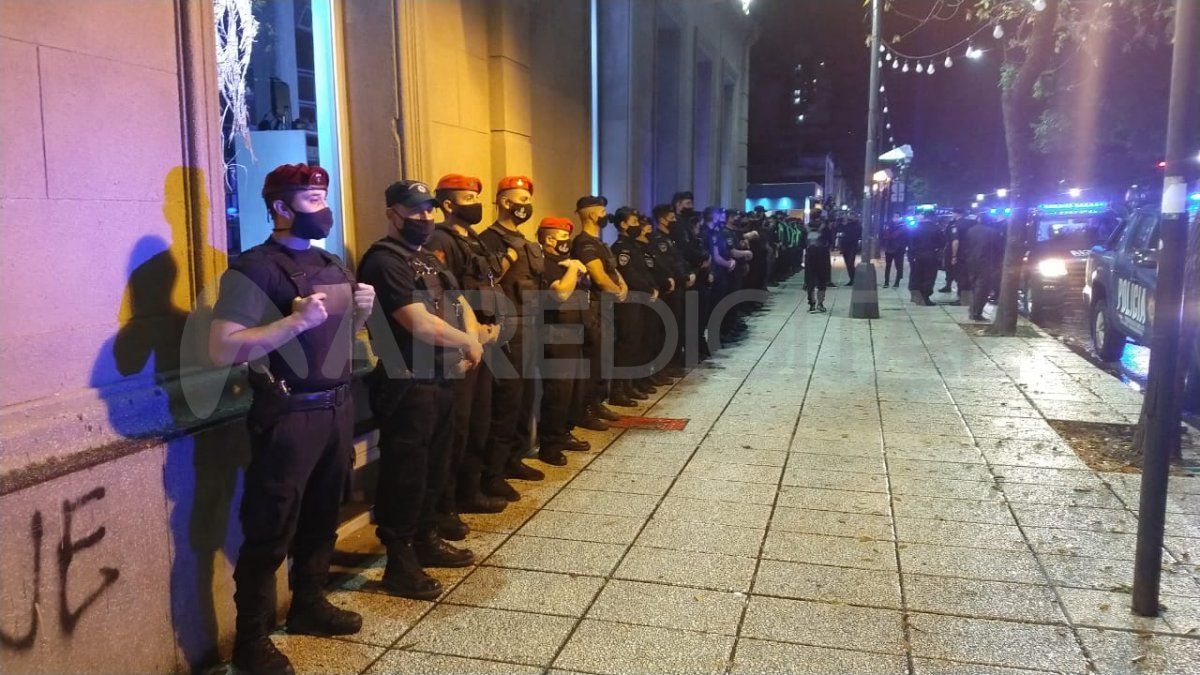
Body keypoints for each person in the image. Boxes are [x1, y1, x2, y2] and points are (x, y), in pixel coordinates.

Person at [211, 163, 369, 674]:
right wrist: (294, 321)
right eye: (310, 198)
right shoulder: (253, 269)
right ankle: (252, 640)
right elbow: (222, 348)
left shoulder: (331, 261)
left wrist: (361, 312)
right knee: (271, 525)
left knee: (324, 515)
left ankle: (309, 604)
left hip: (336, 406)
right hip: (289, 414)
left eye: (324, 196)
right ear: (280, 207)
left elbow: (335, 338)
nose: (322, 207)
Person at [359, 179, 483, 601]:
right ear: (392, 213)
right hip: (407, 381)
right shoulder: (383, 261)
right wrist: (467, 342)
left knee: (436, 465)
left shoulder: (427, 256)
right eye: (414, 210)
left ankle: (426, 539)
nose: (424, 217)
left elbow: (457, 300)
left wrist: (473, 335)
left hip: (440, 377)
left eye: (428, 209)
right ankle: (399, 560)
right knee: (406, 472)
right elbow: (417, 321)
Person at [424, 174, 508, 522]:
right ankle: (448, 502)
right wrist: (471, 335)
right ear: (447, 204)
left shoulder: (473, 238)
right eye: (467, 197)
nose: (474, 202)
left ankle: (472, 489)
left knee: (479, 420)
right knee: (457, 426)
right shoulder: (440, 240)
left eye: (476, 196)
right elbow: (447, 295)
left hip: (483, 339)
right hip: (460, 346)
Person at [477, 175, 546, 494]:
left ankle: (514, 456)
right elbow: (487, 280)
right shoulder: (489, 239)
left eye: (527, 199)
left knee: (525, 395)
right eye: (519, 199)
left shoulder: (526, 239)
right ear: (504, 201)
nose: (524, 205)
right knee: (506, 399)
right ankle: (492, 471)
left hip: (531, 323)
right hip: (508, 329)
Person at [534, 216, 591, 465]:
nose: (566, 240)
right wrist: (573, 268)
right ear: (548, 238)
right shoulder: (545, 263)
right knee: (557, 391)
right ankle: (550, 445)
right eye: (561, 235)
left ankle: (564, 432)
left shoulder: (564, 261)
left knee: (572, 389)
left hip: (574, 329)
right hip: (555, 332)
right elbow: (560, 292)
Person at [572, 195, 628, 412]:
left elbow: (612, 271)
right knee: (595, 357)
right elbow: (599, 276)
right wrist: (616, 291)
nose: (606, 216)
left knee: (605, 355)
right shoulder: (584, 243)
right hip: (594, 308)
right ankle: (588, 407)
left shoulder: (600, 243)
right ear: (592, 214)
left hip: (606, 307)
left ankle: (598, 401)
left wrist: (622, 286)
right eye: (602, 211)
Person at [610, 207, 659, 403]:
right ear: (623, 224)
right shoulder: (621, 247)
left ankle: (634, 382)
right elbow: (629, 275)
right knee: (628, 343)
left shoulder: (634, 246)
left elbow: (645, 272)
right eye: (633, 223)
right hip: (630, 300)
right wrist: (649, 288)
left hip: (641, 299)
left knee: (638, 341)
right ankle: (619, 389)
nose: (637, 226)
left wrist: (653, 287)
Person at [650, 204, 692, 375]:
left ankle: (675, 360)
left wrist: (688, 275)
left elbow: (679, 260)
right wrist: (682, 277)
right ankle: (667, 365)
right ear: (662, 219)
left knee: (679, 324)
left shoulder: (671, 238)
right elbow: (666, 265)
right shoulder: (658, 239)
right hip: (670, 289)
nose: (675, 221)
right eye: (672, 218)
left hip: (680, 286)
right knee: (670, 327)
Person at [961, 217, 1004, 321]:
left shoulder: (971, 230)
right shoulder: (993, 232)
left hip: (971, 262)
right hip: (986, 263)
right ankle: (977, 312)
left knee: (974, 286)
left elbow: (965, 246)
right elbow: (999, 249)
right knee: (983, 288)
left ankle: (973, 310)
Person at [908, 217, 944, 305]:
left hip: (917, 255)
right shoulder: (937, 228)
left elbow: (910, 243)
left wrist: (911, 257)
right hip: (931, 255)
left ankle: (916, 296)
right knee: (929, 276)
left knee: (916, 275)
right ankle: (926, 296)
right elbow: (942, 243)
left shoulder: (915, 228)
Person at [804, 215, 833, 312]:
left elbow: (802, 243)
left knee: (810, 282)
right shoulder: (825, 228)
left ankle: (811, 303)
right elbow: (831, 241)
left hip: (809, 258)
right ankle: (820, 303)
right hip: (822, 257)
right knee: (821, 281)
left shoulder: (806, 227)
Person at [881, 218, 908, 288]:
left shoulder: (903, 228)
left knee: (898, 266)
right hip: (890, 249)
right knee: (888, 266)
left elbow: (894, 236)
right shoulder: (890, 227)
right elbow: (885, 236)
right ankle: (886, 282)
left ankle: (897, 282)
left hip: (898, 250)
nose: (895, 218)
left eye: (897, 216)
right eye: (894, 216)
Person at [839, 217, 863, 285]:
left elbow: (858, 234)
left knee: (850, 263)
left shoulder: (857, 226)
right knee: (848, 264)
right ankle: (852, 279)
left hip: (852, 246)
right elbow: (841, 232)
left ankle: (855, 279)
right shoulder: (845, 226)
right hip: (845, 246)